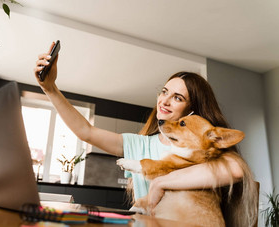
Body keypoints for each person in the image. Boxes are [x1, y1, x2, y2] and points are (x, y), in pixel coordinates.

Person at [34, 42, 257, 226]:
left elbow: (236, 169)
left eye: (178, 98)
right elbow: (86, 131)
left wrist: (162, 182)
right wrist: (50, 89)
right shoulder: (139, 145)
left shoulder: (204, 148)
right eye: (164, 92)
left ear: (193, 111)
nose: (165, 101)